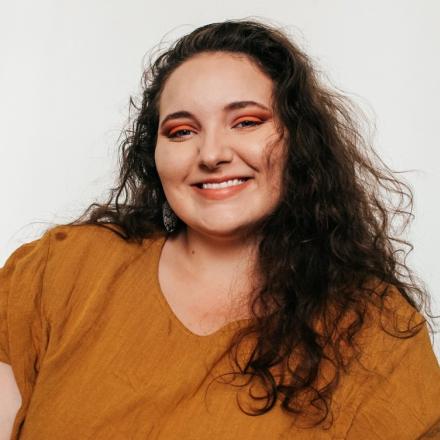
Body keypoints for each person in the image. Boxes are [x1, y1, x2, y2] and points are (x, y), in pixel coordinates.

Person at [1, 19, 439, 440]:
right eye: (181, 131)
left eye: (247, 122)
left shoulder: (374, 331)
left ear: (299, 140)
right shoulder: (63, 270)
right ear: (153, 155)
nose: (211, 153)